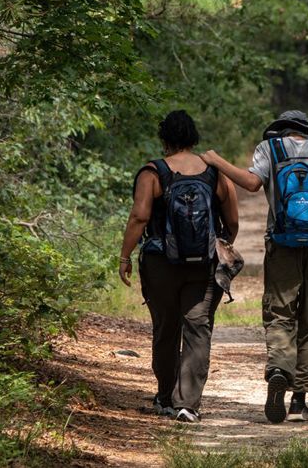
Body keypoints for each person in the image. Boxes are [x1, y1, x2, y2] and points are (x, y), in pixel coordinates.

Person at [200, 110, 308, 424]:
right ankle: (299, 401)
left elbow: (252, 183)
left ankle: (279, 368)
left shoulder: (270, 149)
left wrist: (217, 161)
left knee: (281, 312)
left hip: (281, 243)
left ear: (279, 130)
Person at [118, 110, 239, 423]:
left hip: (160, 263)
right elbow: (233, 220)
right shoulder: (214, 172)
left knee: (166, 328)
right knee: (198, 329)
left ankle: (165, 396)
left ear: (164, 139)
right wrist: (217, 242)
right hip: (204, 265)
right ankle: (187, 403)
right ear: (194, 137)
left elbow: (140, 217)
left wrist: (125, 256)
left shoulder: (153, 172)